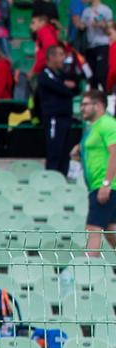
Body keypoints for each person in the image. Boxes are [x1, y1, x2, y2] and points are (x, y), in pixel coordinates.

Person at [76, 89, 116, 255]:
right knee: (110, 229)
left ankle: (87, 274)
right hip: (99, 186)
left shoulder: (107, 123)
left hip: (105, 185)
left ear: (98, 105)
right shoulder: (94, 127)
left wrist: (106, 184)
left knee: (93, 228)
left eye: (85, 104)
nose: (81, 108)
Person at [37, 44, 82, 175]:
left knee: (64, 154)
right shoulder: (45, 74)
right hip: (54, 119)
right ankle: (51, 182)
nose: (64, 58)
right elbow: (64, 90)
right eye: (61, 54)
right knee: (55, 152)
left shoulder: (61, 75)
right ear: (52, 57)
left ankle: (62, 182)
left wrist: (68, 86)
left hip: (66, 118)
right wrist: (66, 87)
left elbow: (75, 88)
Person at [80, 0, 112, 89]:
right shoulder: (86, 11)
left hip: (102, 44)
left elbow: (110, 29)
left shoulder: (106, 10)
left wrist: (102, 25)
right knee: (91, 76)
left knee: (101, 73)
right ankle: (94, 97)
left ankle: (107, 94)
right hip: (89, 46)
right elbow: (81, 26)